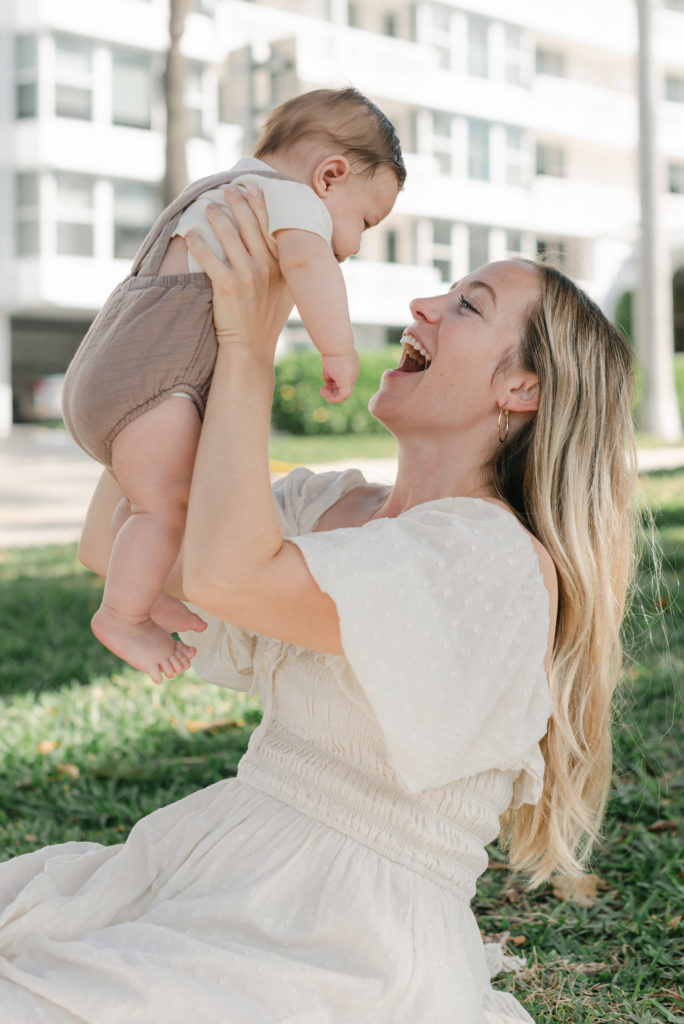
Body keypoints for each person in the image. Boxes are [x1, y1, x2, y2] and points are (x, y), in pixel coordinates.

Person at [0, 188, 638, 1024]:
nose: (424, 305)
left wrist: (250, 341)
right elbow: (114, 539)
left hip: (347, 935)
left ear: (519, 389)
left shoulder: (491, 560)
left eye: (467, 305)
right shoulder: (334, 508)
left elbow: (230, 578)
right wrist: (169, 323)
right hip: (223, 853)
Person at [60, 87, 405, 685]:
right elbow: (309, 266)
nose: (350, 246)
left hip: (102, 374)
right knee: (166, 508)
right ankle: (122, 614)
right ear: (330, 176)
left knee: (151, 502)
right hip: (152, 388)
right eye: (364, 223)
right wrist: (339, 348)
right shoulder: (289, 202)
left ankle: (144, 586)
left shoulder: (215, 192)